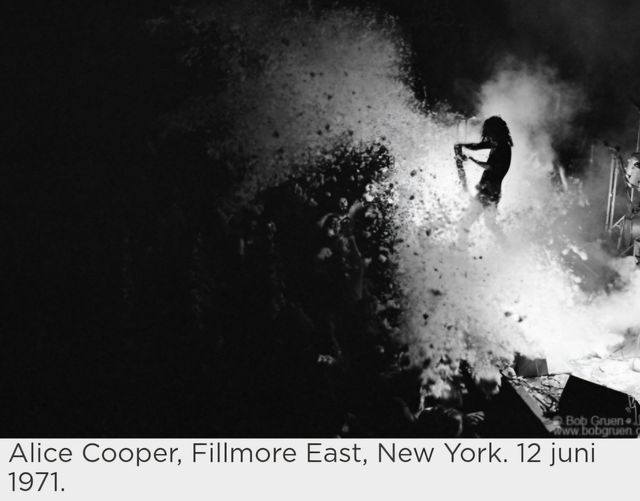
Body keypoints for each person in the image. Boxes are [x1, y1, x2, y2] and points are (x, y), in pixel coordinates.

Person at [454, 115, 513, 247]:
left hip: (489, 192)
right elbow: (477, 146)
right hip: (489, 191)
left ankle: (461, 250)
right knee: (489, 224)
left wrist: (471, 158)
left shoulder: (503, 147)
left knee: (467, 223)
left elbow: (490, 167)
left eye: (489, 132)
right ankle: (508, 247)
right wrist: (462, 146)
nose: (487, 135)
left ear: (495, 131)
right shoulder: (498, 143)